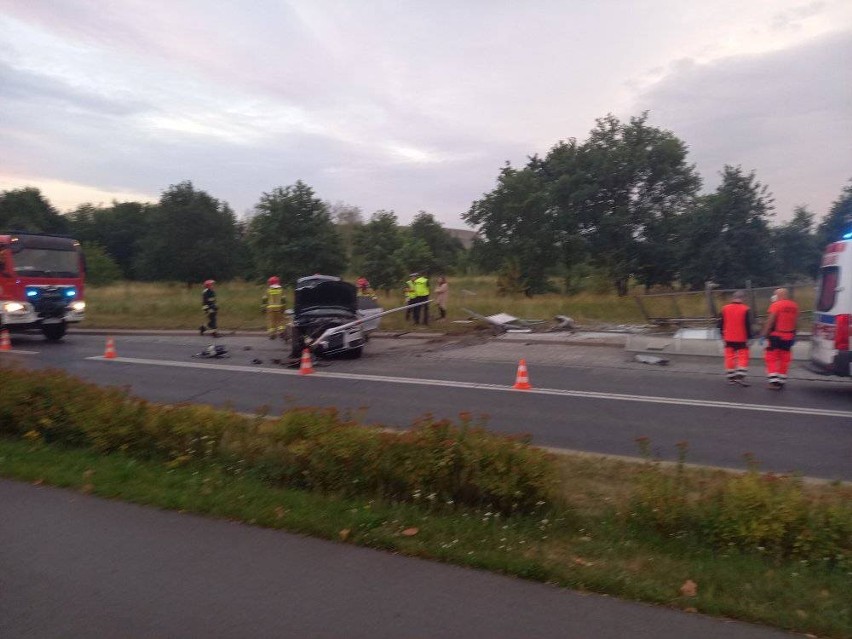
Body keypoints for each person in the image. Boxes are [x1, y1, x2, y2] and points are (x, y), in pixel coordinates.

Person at [761, 287, 799, 390]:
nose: (774, 296)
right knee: (785, 359)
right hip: (789, 336)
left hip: (776, 336)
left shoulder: (776, 305)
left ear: (779, 295)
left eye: (775, 294)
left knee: (771, 358)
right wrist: (794, 335)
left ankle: (774, 382)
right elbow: (795, 322)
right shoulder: (794, 306)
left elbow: (770, 322)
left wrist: (764, 335)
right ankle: (782, 380)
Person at [718, 290, 754, 385]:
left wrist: (722, 335)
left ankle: (731, 378)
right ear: (743, 298)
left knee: (729, 357)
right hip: (741, 338)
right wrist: (750, 337)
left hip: (728, 337)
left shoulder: (724, 308)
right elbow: (748, 325)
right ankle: (740, 377)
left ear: (732, 298)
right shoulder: (745, 309)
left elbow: (720, 324)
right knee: (743, 357)